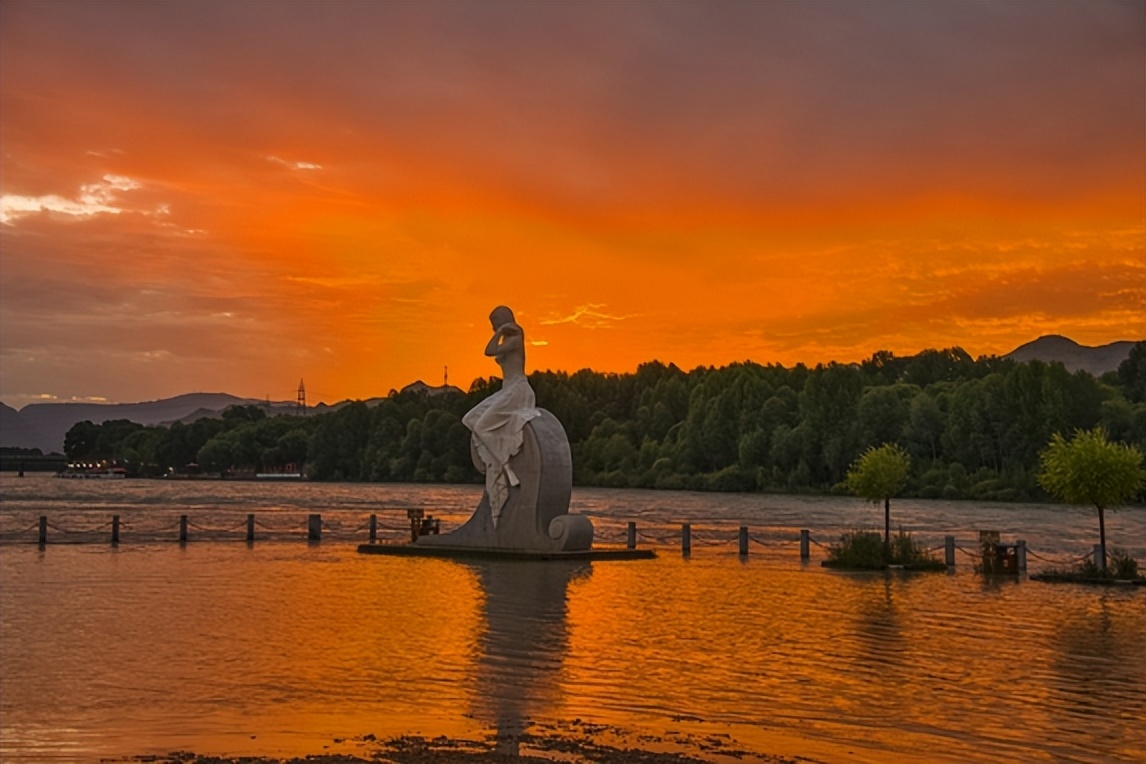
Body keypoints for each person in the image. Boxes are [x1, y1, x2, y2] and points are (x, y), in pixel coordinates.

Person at [462, 305, 540, 525]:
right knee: (470, 419)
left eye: (494, 323)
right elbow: (490, 349)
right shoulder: (507, 338)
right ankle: (501, 463)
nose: (493, 328)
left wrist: (502, 331)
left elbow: (489, 351)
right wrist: (500, 332)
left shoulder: (516, 336)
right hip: (506, 389)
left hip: (518, 391)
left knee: (482, 425)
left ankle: (504, 464)